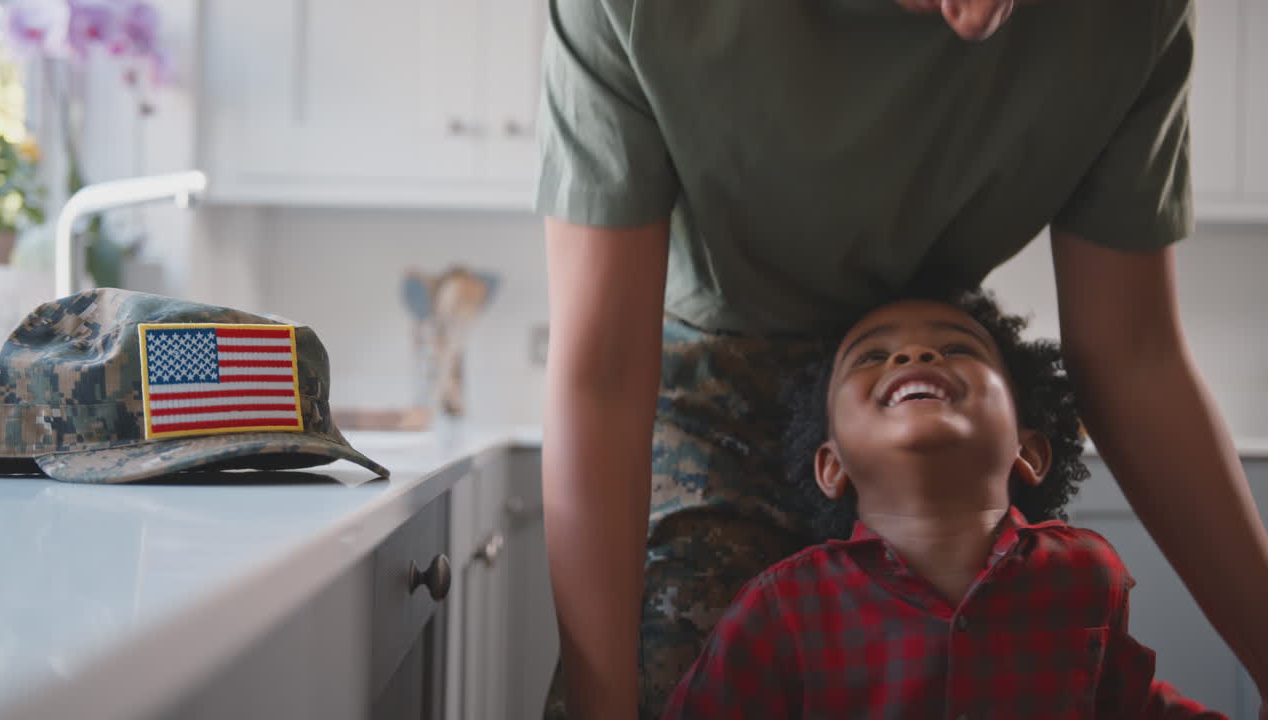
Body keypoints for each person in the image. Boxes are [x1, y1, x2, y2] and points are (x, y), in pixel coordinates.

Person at [536, 0, 1268, 716]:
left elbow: (1132, 353)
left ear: (1031, 452)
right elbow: (601, 375)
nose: (977, 21)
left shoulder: (1134, 19)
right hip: (704, 386)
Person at [662, 289, 1225, 718]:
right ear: (831, 464)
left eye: (957, 348)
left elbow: (1129, 706)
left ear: (1028, 449)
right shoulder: (781, 607)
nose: (915, 352)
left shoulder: (1085, 574)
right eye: (870, 357)